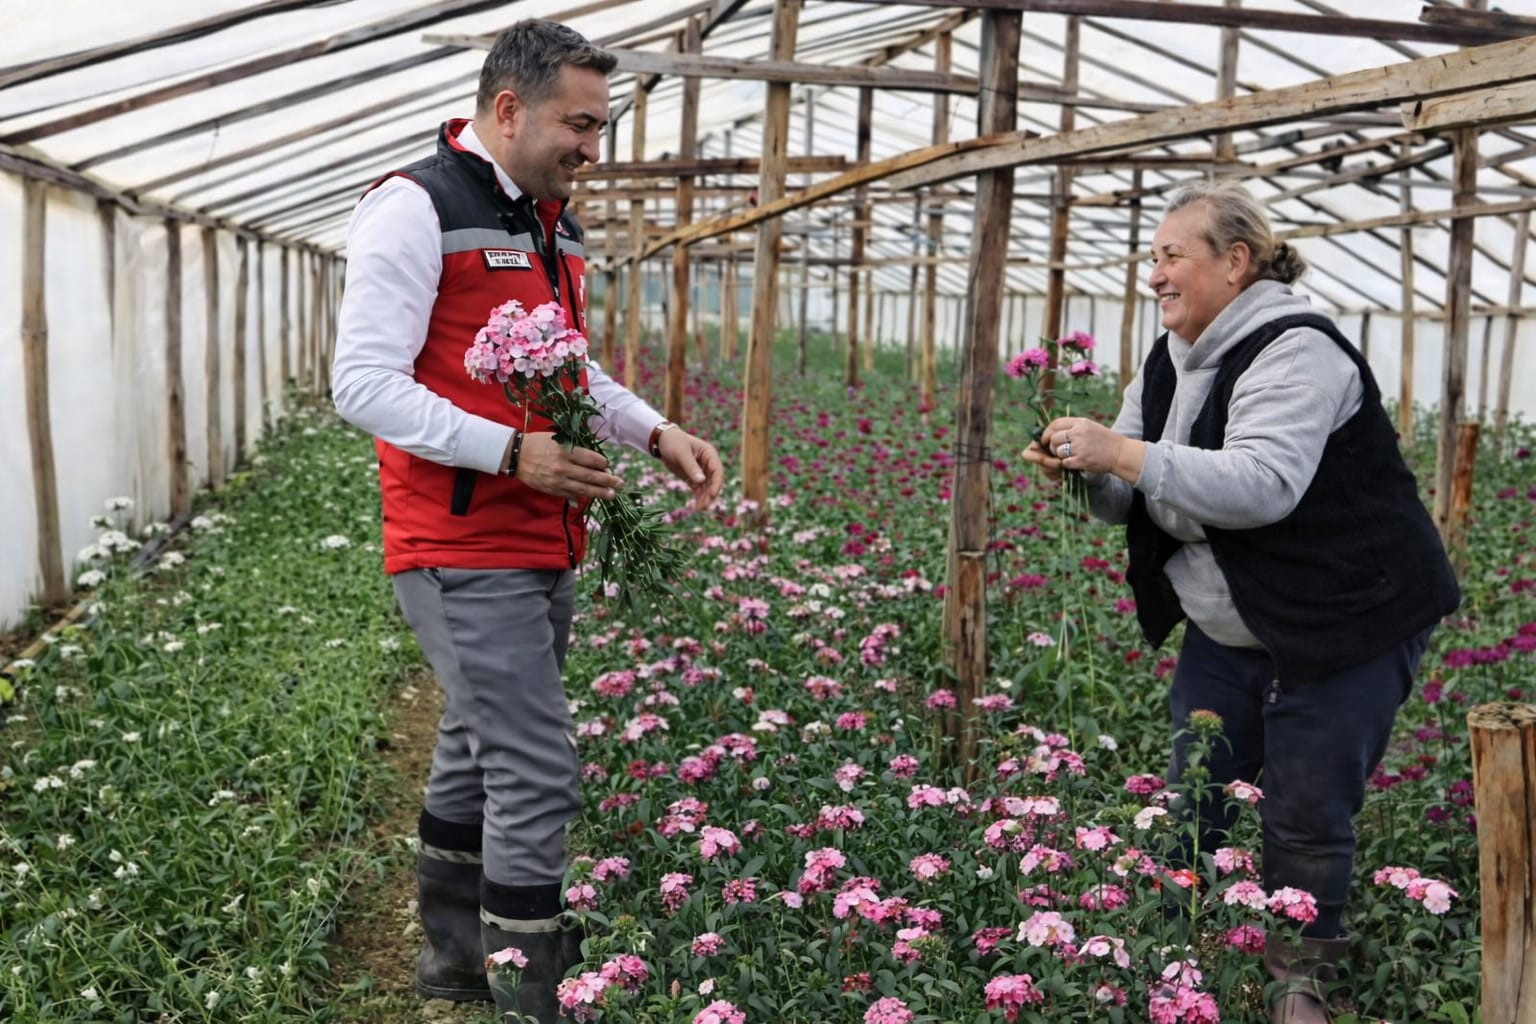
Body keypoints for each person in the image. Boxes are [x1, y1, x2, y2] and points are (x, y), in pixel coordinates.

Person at [331, 20, 724, 1023]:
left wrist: (653, 429)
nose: (593, 146)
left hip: (541, 535)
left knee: (475, 739)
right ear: (509, 109)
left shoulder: (553, 223)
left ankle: (458, 953)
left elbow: (567, 369)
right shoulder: (415, 208)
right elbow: (363, 384)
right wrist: (512, 452)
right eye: (578, 124)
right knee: (537, 766)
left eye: (600, 125)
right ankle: (529, 988)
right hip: (461, 543)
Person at [1022, 180, 1458, 1024]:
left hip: (1346, 619)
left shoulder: (1298, 350)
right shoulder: (1170, 356)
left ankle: (1299, 981)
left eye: (1172, 256)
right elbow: (1136, 491)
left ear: (1235, 260)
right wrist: (1088, 469)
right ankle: (1187, 959)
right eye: (1152, 257)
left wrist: (1123, 451)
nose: (1155, 275)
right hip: (1232, 626)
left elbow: (1262, 485)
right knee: (1200, 793)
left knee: (1305, 802)